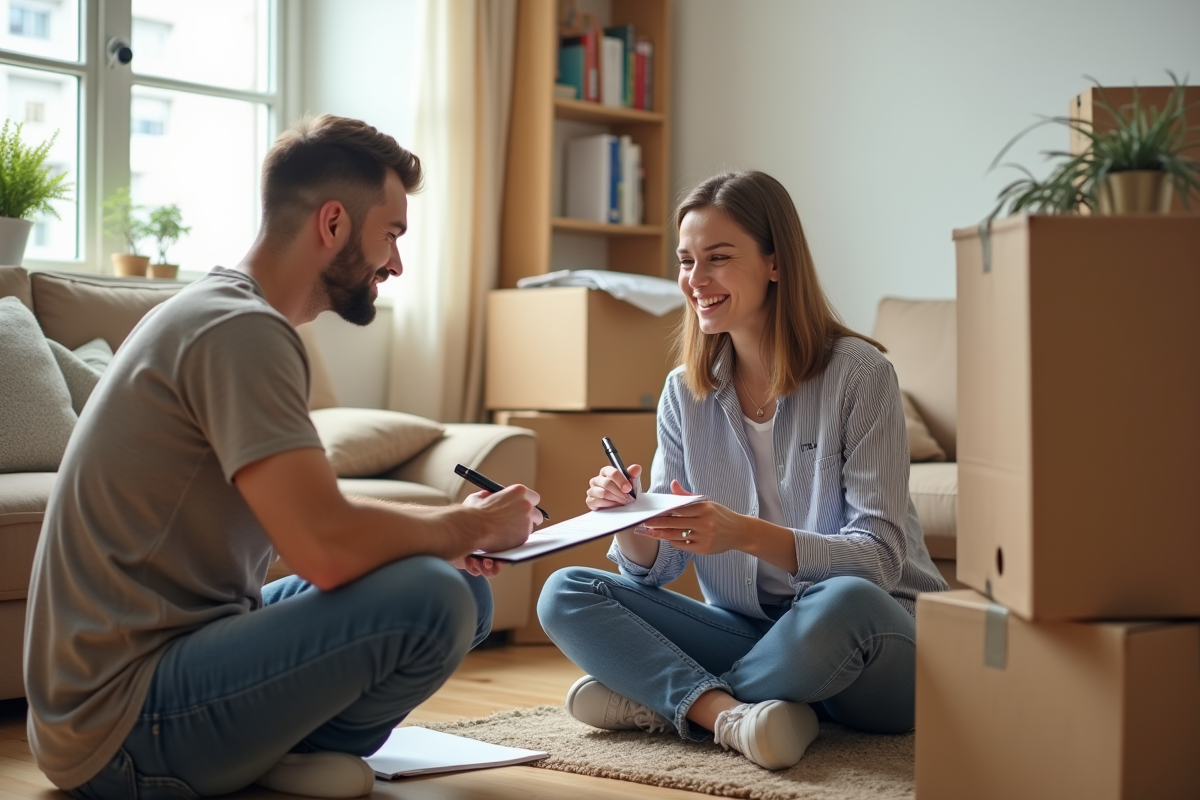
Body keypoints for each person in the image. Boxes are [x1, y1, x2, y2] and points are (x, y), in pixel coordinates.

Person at [24, 114, 543, 800]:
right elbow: (324, 547)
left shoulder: (219, 311)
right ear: (332, 224)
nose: (396, 262)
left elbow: (318, 516)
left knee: (460, 584)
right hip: (122, 727)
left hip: (162, 669)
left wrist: (446, 529)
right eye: (391, 234)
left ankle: (268, 753)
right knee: (436, 597)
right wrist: (471, 529)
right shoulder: (242, 331)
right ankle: (281, 754)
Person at [537, 170, 948, 771]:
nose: (694, 281)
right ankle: (733, 712)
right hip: (755, 634)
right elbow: (660, 568)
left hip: (876, 643)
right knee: (566, 592)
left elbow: (881, 558)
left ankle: (674, 700)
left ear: (775, 263)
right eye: (685, 261)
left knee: (841, 602)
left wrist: (744, 533)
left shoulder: (861, 376)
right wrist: (630, 520)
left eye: (718, 258)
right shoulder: (684, 393)